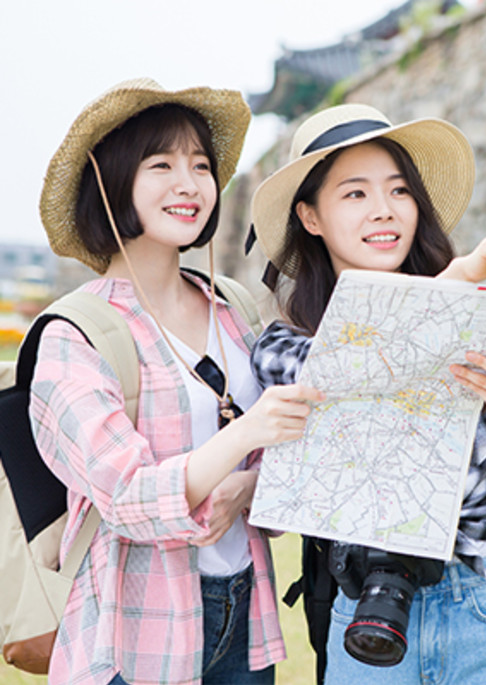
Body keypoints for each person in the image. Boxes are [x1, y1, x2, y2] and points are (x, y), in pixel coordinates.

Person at [247, 103, 486, 683]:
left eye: (399, 191)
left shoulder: (483, 321)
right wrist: (464, 274)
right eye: (355, 194)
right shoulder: (285, 347)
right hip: (367, 610)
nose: (384, 211)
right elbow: (346, 372)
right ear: (310, 216)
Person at [31, 78, 323, 685]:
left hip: (244, 618)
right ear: (114, 182)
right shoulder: (75, 333)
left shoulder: (234, 307)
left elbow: (294, 456)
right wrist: (244, 439)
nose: (189, 184)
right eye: (161, 164)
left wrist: (246, 487)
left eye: (199, 165)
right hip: (133, 635)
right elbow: (126, 497)